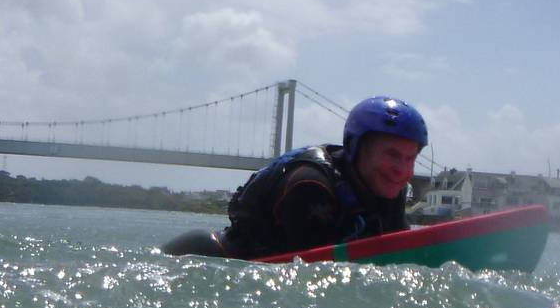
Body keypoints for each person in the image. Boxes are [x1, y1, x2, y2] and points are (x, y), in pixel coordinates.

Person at [161, 96, 427, 259]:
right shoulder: (311, 185)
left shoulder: (390, 188)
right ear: (356, 148)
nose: (402, 170)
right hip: (210, 257)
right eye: (392, 155)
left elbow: (395, 253)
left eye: (410, 158)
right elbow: (310, 273)